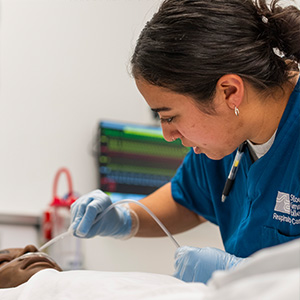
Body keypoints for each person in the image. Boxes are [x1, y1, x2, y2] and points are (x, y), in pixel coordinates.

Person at [70, 0, 300, 283]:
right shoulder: (225, 137)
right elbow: (189, 199)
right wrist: (125, 219)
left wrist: (244, 274)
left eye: (169, 117)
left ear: (229, 92)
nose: (168, 135)